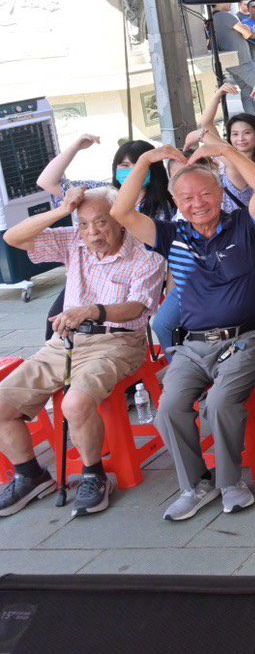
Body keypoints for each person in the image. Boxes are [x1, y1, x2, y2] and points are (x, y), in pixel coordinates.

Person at [112, 134, 255, 520]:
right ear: (176, 203)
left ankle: (230, 482)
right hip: (193, 345)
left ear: (219, 193)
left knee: (220, 403)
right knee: (169, 407)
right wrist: (146, 162)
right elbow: (122, 212)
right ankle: (195, 484)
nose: (197, 203)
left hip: (247, 339)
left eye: (204, 194)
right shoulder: (172, 235)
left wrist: (226, 151)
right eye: (186, 199)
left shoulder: (244, 226)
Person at [0, 189, 165, 517]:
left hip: (117, 343)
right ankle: (30, 474)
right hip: (64, 344)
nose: (92, 233)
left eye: (101, 223)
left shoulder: (146, 254)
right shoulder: (74, 241)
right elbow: (14, 238)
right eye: (84, 224)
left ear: (119, 220)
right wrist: (61, 209)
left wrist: (93, 311)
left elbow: (137, 308)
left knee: (75, 404)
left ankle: (95, 475)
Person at [211, 2, 255, 115]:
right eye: (227, 1)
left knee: (246, 91)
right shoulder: (226, 16)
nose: (230, 3)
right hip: (242, 59)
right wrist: (247, 28)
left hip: (230, 61)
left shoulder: (212, 19)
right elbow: (247, 34)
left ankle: (254, 120)